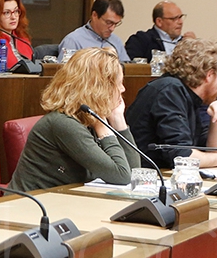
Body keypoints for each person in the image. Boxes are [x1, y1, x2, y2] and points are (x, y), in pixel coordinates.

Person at [10, 47, 141, 191]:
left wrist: (118, 120)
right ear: (98, 88)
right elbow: (121, 176)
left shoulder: (86, 118)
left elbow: (134, 173)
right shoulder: (63, 123)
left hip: (62, 198)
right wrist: (103, 128)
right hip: (31, 202)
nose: (122, 89)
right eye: (118, 83)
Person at [125, 38, 217, 168]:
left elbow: (212, 152)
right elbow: (182, 157)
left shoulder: (186, 95)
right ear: (209, 75)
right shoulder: (170, 91)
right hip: (145, 175)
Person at [57, 0, 129, 61]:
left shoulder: (116, 41)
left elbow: (128, 69)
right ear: (94, 15)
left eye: (116, 24)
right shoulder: (74, 41)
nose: (112, 29)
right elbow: (65, 70)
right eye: (109, 22)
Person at [124, 1, 197, 61]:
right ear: (159, 22)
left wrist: (194, 47)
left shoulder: (185, 42)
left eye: (180, 17)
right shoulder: (140, 40)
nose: (180, 22)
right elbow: (133, 68)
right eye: (174, 18)